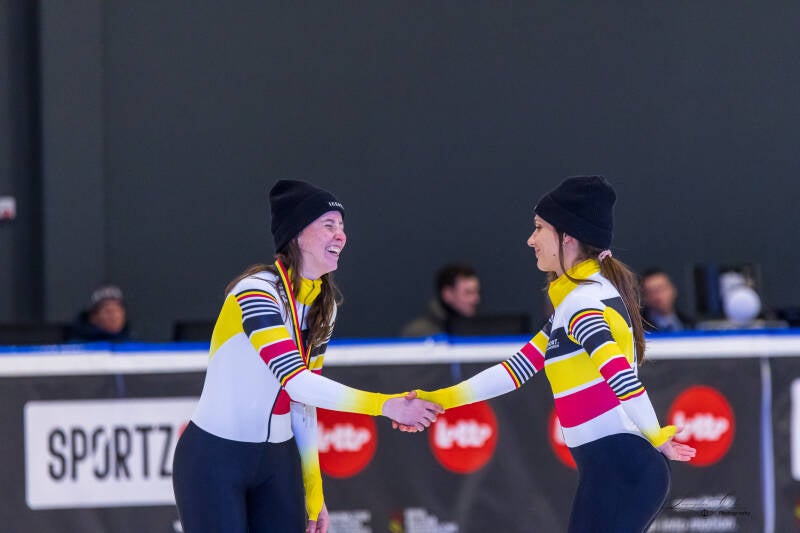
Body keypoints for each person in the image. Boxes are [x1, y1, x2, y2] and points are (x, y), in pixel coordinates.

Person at [399, 176, 696, 532]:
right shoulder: (573, 302)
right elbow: (515, 370)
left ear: (567, 236)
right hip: (614, 467)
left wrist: (656, 433)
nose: (531, 239)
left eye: (539, 228)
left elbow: (618, 374)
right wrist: (438, 400)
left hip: (622, 468)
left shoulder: (583, 302)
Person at [172, 180, 443, 533]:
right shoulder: (255, 292)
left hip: (277, 463)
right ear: (297, 235)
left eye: (342, 227)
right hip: (215, 461)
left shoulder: (323, 306)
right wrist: (384, 404)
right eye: (328, 225)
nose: (340, 236)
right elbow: (295, 378)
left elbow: (302, 402)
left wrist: (314, 494)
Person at [401, 263, 481, 337]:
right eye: (468, 293)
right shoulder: (418, 333)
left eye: (477, 292)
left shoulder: (479, 331)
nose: (476, 299)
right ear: (448, 294)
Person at [66, 284, 131, 342]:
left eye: (118, 310)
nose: (114, 316)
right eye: (108, 311)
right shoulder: (75, 349)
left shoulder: (133, 350)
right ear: (93, 318)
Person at [640, 268, 694, 332]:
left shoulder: (689, 323)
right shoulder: (640, 328)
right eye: (651, 292)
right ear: (644, 298)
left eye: (662, 289)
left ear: (673, 289)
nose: (659, 296)